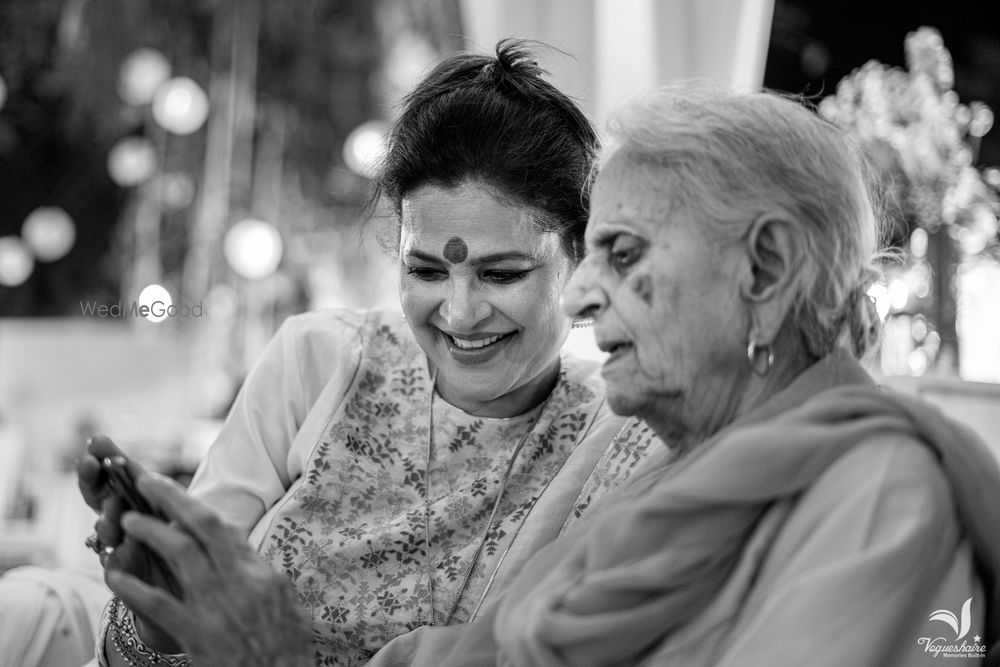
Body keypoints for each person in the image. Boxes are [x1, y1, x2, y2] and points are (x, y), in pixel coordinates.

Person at [357, 86, 1000, 665]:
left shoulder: (880, 497)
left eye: (625, 254)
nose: (578, 296)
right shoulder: (672, 475)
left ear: (765, 272)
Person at [77, 40, 664, 667]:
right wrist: (155, 623)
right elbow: (165, 638)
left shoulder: (621, 440)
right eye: (427, 271)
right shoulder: (320, 361)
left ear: (578, 259)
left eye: (502, 274)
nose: (460, 313)